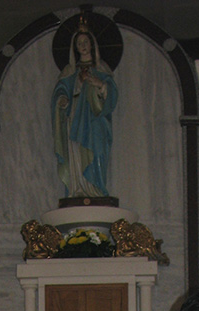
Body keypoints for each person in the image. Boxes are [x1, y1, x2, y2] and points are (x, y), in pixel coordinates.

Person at [52, 21, 118, 199]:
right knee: (76, 152)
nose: (82, 46)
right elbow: (60, 91)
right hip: (75, 116)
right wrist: (62, 100)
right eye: (79, 43)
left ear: (92, 44)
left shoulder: (101, 69)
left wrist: (100, 84)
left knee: (96, 150)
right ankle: (78, 189)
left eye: (85, 42)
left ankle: (96, 189)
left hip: (95, 119)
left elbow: (111, 93)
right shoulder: (70, 71)